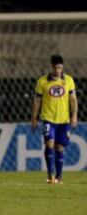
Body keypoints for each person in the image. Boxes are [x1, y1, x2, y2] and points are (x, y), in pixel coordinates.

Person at [31, 55, 78, 184]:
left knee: (60, 147)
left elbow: (73, 100)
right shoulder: (42, 81)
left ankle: (59, 176)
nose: (58, 71)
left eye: (60, 68)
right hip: (48, 119)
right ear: (52, 67)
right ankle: (50, 175)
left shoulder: (68, 80)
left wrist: (74, 116)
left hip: (64, 120)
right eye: (56, 68)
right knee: (49, 143)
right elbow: (37, 100)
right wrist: (34, 118)